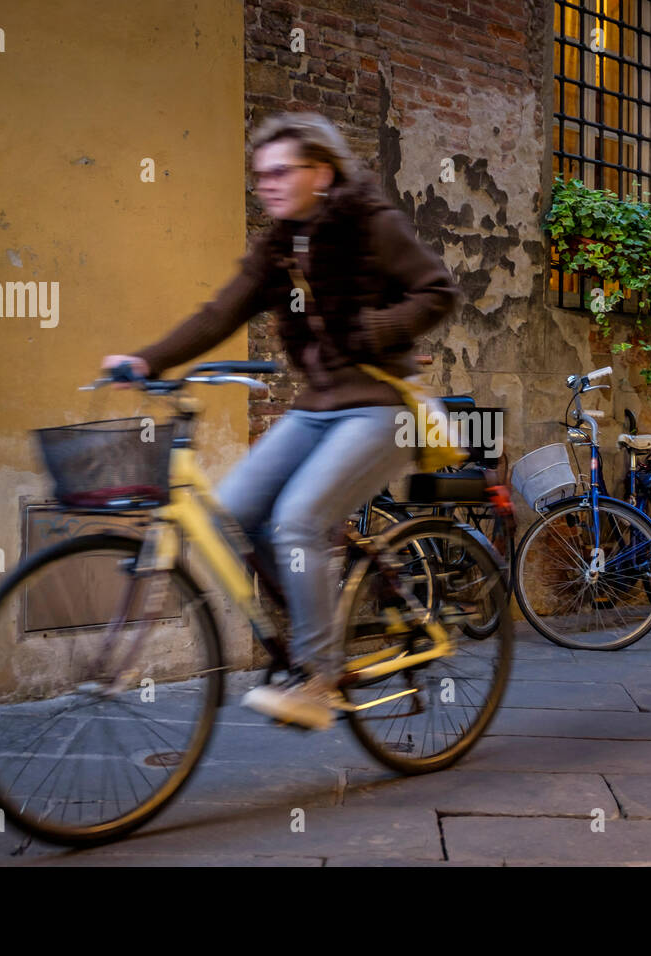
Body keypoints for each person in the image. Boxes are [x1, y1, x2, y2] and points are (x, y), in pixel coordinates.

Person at [102, 111, 461, 730]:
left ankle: (319, 678)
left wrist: (376, 329)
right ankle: (312, 626)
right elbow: (219, 314)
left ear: (320, 173)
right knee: (231, 514)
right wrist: (145, 359)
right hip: (318, 407)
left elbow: (437, 291)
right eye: (259, 175)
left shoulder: (370, 224)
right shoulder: (278, 246)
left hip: (382, 406)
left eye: (280, 172)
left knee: (297, 520)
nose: (265, 184)